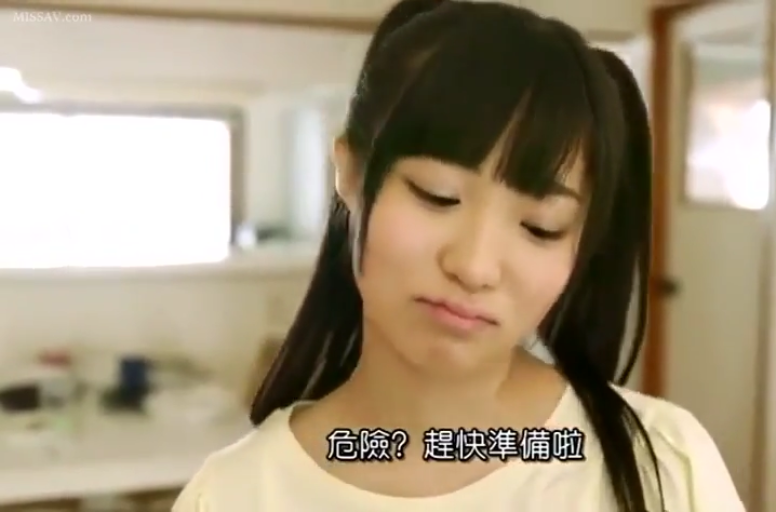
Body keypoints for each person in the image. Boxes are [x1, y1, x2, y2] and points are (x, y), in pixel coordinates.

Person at [173, 0, 744, 511]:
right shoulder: (234, 495)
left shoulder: (666, 466)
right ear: (350, 174)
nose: (474, 266)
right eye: (437, 195)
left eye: (540, 227)